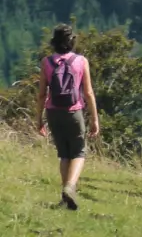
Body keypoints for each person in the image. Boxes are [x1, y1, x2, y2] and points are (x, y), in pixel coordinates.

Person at [34, 24, 100, 211]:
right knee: (79, 152)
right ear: (72, 41)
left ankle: (65, 198)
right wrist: (95, 118)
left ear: (54, 42)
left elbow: (41, 94)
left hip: (53, 112)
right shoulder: (81, 61)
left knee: (64, 154)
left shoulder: (46, 62)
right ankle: (70, 187)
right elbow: (88, 93)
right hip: (74, 112)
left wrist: (38, 119)